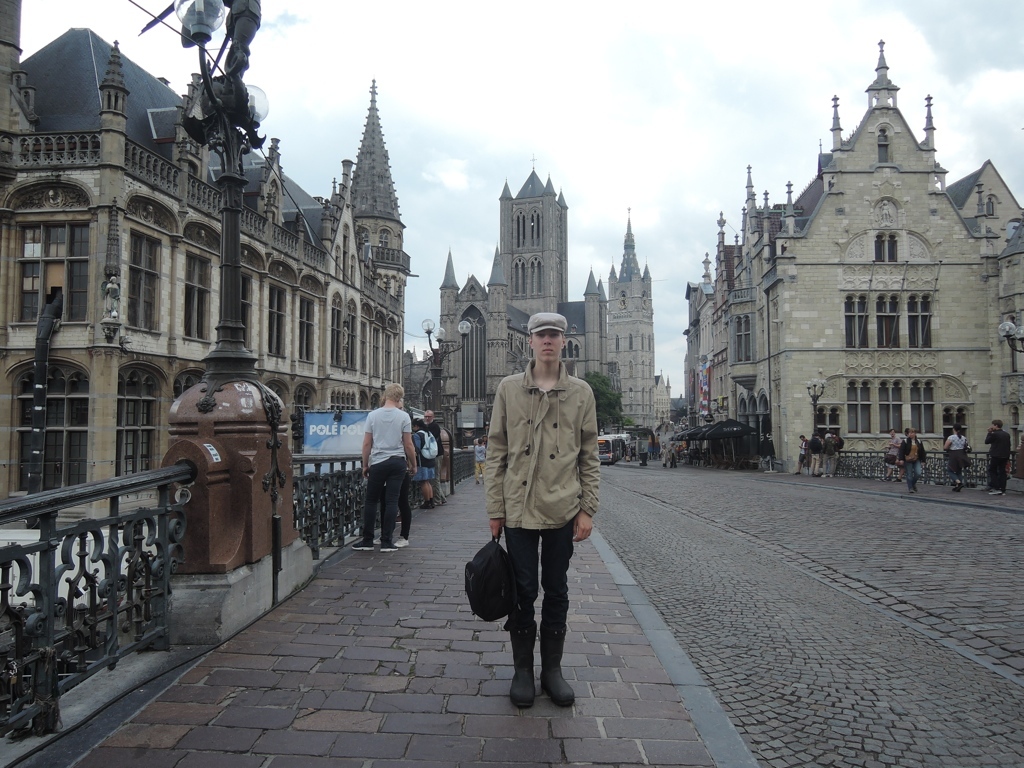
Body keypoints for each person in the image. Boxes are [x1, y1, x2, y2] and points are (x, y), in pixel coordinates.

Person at [487, 312, 599, 709]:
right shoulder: (508, 388)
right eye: (541, 335)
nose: (547, 340)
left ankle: (552, 670)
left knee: (557, 589)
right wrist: (495, 508)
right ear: (530, 341)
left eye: (554, 334)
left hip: (562, 507)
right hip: (518, 507)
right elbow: (496, 452)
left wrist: (587, 509)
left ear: (564, 341)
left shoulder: (582, 392)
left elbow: (589, 456)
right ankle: (522, 671)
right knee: (522, 591)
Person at [356, 383, 417, 552]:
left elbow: (367, 443)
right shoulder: (404, 416)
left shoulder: (373, 415)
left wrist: (365, 464)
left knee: (371, 501)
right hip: (397, 462)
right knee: (392, 501)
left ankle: (367, 540)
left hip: (378, 462)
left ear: (386, 396)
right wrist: (413, 464)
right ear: (399, 397)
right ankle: (386, 541)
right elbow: (408, 444)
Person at [411, 419, 437, 509]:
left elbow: (417, 448)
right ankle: (431, 501)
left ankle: (427, 502)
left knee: (423, 482)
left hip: (422, 460)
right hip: (430, 459)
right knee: (428, 482)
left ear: (416, 426)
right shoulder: (428, 433)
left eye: (413, 426)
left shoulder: (417, 435)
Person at [423, 410, 447, 505]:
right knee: (433, 477)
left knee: (435, 477)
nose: (427, 418)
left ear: (433, 417)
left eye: (429, 416)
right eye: (425, 416)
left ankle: (437, 499)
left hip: (436, 454)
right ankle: (441, 497)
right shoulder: (428, 426)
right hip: (433, 454)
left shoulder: (434, 426)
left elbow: (429, 439)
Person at [985, 419, 1011, 496]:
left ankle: (996, 488)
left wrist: (989, 432)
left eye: (992, 425)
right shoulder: (1006, 434)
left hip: (996, 455)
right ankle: (1002, 489)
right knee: (1002, 472)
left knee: (992, 470)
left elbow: (987, 441)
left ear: (996, 426)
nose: (991, 426)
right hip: (1005, 455)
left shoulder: (994, 434)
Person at [899, 427, 926, 493]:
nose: (911, 434)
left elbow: (922, 451)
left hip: (916, 459)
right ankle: (910, 488)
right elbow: (901, 450)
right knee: (909, 474)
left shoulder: (918, 441)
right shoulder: (905, 441)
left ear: (915, 433)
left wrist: (923, 460)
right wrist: (901, 459)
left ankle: (913, 483)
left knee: (918, 473)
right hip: (908, 460)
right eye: (909, 433)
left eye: (912, 433)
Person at [943, 424, 969, 492]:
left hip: (954, 454)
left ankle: (958, 482)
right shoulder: (963, 437)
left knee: (950, 470)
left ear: (953, 429)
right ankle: (958, 486)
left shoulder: (951, 437)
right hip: (962, 454)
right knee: (959, 470)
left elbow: (945, 447)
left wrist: (949, 448)